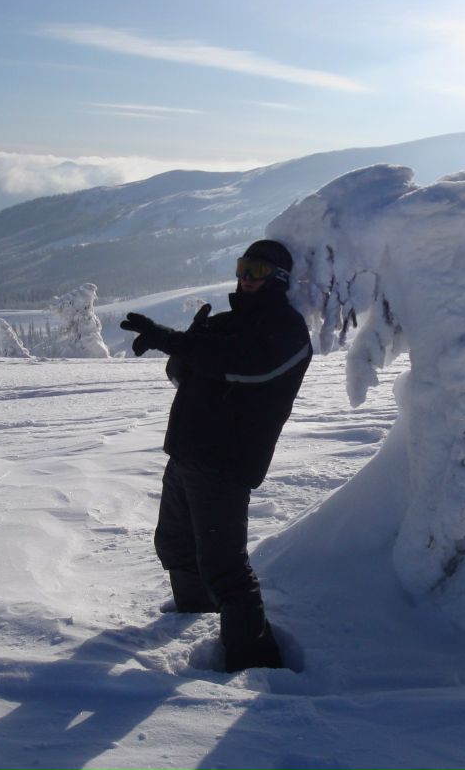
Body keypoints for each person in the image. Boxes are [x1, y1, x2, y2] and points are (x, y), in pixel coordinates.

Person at [120, 239, 312, 672]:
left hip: (226, 463)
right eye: (243, 267)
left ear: (278, 278)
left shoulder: (287, 333)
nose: (245, 278)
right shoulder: (226, 323)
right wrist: (183, 348)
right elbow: (186, 374)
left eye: (257, 270)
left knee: (225, 566)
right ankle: (193, 618)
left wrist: (182, 344)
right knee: (175, 545)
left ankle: (254, 662)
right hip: (186, 450)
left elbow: (245, 367)